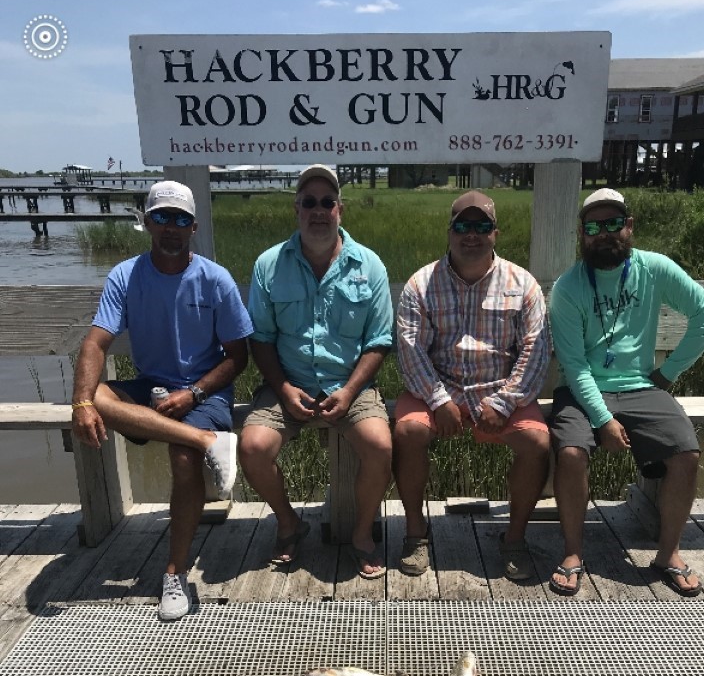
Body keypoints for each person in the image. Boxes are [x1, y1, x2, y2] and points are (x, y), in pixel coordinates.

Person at [71, 180, 252, 621]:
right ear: (147, 221)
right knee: (94, 395)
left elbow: (238, 357)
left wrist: (192, 393)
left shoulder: (215, 279)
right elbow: (96, 343)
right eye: (162, 217)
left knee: (183, 460)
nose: (171, 227)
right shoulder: (125, 276)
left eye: (181, 219)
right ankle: (206, 440)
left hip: (203, 387)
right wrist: (81, 403)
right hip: (151, 382)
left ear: (193, 227)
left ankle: (175, 572)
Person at [547, 187, 704, 596]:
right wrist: (603, 419)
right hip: (581, 388)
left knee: (686, 452)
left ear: (629, 227)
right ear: (581, 233)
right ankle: (573, 552)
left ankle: (669, 554)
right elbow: (573, 367)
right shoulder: (569, 287)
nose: (604, 233)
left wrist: (669, 372)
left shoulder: (655, 268)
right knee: (571, 453)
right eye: (594, 226)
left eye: (613, 224)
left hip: (643, 387)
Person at [239, 164, 393, 578]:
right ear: (297, 210)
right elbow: (262, 339)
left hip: (353, 386)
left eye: (327, 202)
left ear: (340, 209)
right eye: (310, 202)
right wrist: (284, 389)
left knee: (380, 445)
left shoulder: (371, 265)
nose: (319, 210)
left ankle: (362, 533)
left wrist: (349, 391)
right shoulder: (269, 265)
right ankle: (289, 522)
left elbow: (379, 341)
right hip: (287, 383)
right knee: (252, 448)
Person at [393, 190, 552, 579]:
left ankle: (514, 539)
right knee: (408, 432)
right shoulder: (419, 284)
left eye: (482, 227)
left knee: (538, 443)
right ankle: (416, 533)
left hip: (500, 388)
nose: (471, 235)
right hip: (440, 387)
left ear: (495, 233)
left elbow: (536, 350)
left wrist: (505, 402)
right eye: (462, 226)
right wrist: (437, 399)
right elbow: (410, 350)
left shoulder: (524, 285)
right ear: (449, 232)